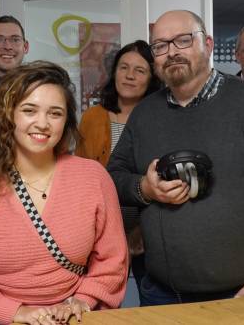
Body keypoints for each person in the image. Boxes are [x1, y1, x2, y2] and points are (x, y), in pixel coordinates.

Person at [107, 10, 244, 306]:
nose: (172, 52)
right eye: (160, 45)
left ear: (207, 44)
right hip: (160, 293)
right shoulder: (145, 113)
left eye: (183, 40)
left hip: (240, 295)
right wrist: (144, 187)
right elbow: (112, 177)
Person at [0, 62, 128, 325]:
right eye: (29, 110)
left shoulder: (93, 178)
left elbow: (112, 260)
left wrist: (84, 299)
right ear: (8, 115)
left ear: (66, 120)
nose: (42, 123)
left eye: (55, 113)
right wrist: (13, 312)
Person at [75, 40, 161, 304]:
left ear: (152, 78)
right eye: (124, 67)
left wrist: (140, 231)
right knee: (99, 302)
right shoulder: (92, 117)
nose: (130, 75)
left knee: (151, 303)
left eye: (140, 70)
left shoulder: (159, 118)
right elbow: (80, 177)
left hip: (146, 229)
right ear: (114, 73)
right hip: (98, 230)